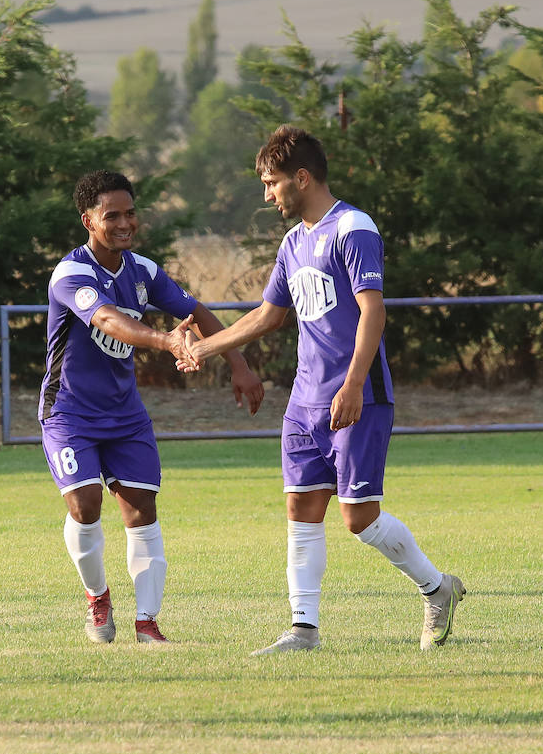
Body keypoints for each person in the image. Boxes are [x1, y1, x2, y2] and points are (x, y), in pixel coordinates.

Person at [179, 125, 465, 654]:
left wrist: (354, 383)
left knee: (359, 519)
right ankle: (303, 630)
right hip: (305, 401)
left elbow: (372, 312)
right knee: (301, 510)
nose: (268, 194)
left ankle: (436, 587)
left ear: (301, 178)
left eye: (272, 182)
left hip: (357, 396)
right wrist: (204, 348)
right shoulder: (293, 241)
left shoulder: (353, 228)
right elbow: (269, 315)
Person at [41, 170, 264, 646]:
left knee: (141, 510)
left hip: (125, 415)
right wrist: (166, 340)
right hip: (69, 413)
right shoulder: (71, 274)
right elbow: (107, 319)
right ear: (88, 220)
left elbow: (197, 310)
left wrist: (238, 363)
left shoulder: (142, 271)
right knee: (85, 505)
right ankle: (97, 596)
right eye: (112, 216)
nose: (125, 223)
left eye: (130, 213)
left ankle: (147, 624)